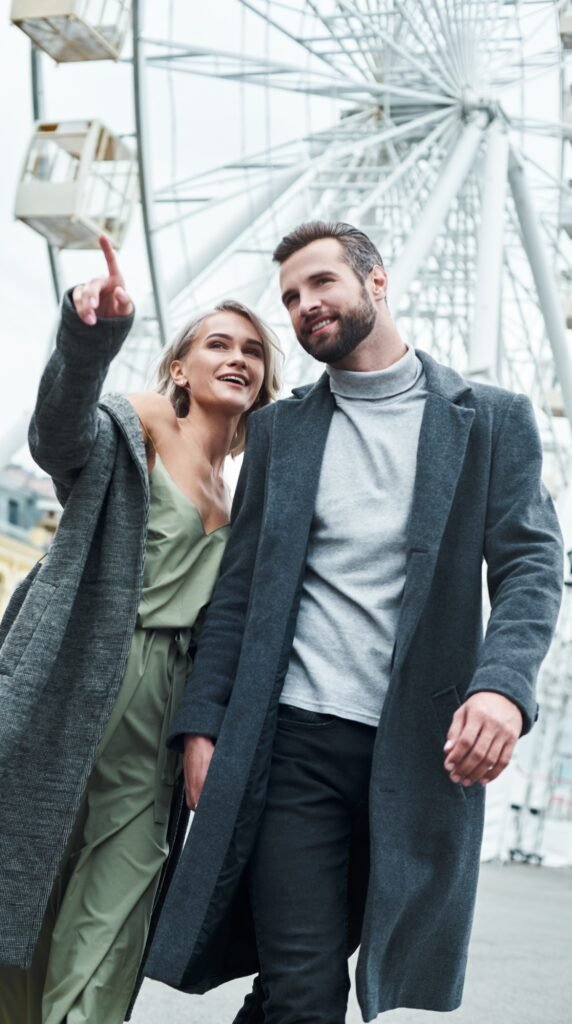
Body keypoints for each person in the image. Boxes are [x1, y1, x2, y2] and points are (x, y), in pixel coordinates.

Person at [145, 221, 564, 1023]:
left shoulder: (491, 420)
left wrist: (503, 688)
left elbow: (531, 566)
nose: (304, 305)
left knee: (290, 984)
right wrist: (204, 726)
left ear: (376, 282)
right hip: (290, 745)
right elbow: (238, 594)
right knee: (308, 990)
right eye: (290, 297)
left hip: (416, 755)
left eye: (321, 283)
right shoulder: (281, 431)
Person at [0, 236, 282, 1024]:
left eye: (252, 351)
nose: (237, 358)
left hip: (164, 712)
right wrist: (89, 336)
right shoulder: (142, 424)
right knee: (15, 872)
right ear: (179, 368)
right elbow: (59, 436)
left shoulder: (245, 501)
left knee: (118, 905)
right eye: (218, 344)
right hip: (78, 670)